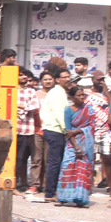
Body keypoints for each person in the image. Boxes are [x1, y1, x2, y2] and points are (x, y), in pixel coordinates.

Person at [56, 86, 96, 207]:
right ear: (72, 97)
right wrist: (76, 147)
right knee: (68, 166)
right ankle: (63, 197)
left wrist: (77, 131)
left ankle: (80, 198)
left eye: (83, 95)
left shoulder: (89, 109)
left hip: (86, 142)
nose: (82, 97)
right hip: (72, 143)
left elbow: (92, 126)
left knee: (82, 169)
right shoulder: (68, 110)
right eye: (79, 95)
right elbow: (68, 132)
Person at [41, 66, 69, 200]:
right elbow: (60, 113)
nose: (68, 79)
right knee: (54, 162)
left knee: (55, 162)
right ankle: (50, 193)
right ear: (57, 80)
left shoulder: (58, 92)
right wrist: (66, 130)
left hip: (53, 129)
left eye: (69, 77)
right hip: (55, 130)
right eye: (65, 77)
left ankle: (52, 191)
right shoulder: (58, 93)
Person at [15, 68, 40, 191]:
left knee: (21, 158)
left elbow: (34, 106)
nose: (24, 77)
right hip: (13, 129)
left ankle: (16, 184)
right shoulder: (11, 90)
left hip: (26, 130)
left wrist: (18, 106)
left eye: (25, 75)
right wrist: (24, 108)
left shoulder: (31, 91)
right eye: (21, 75)